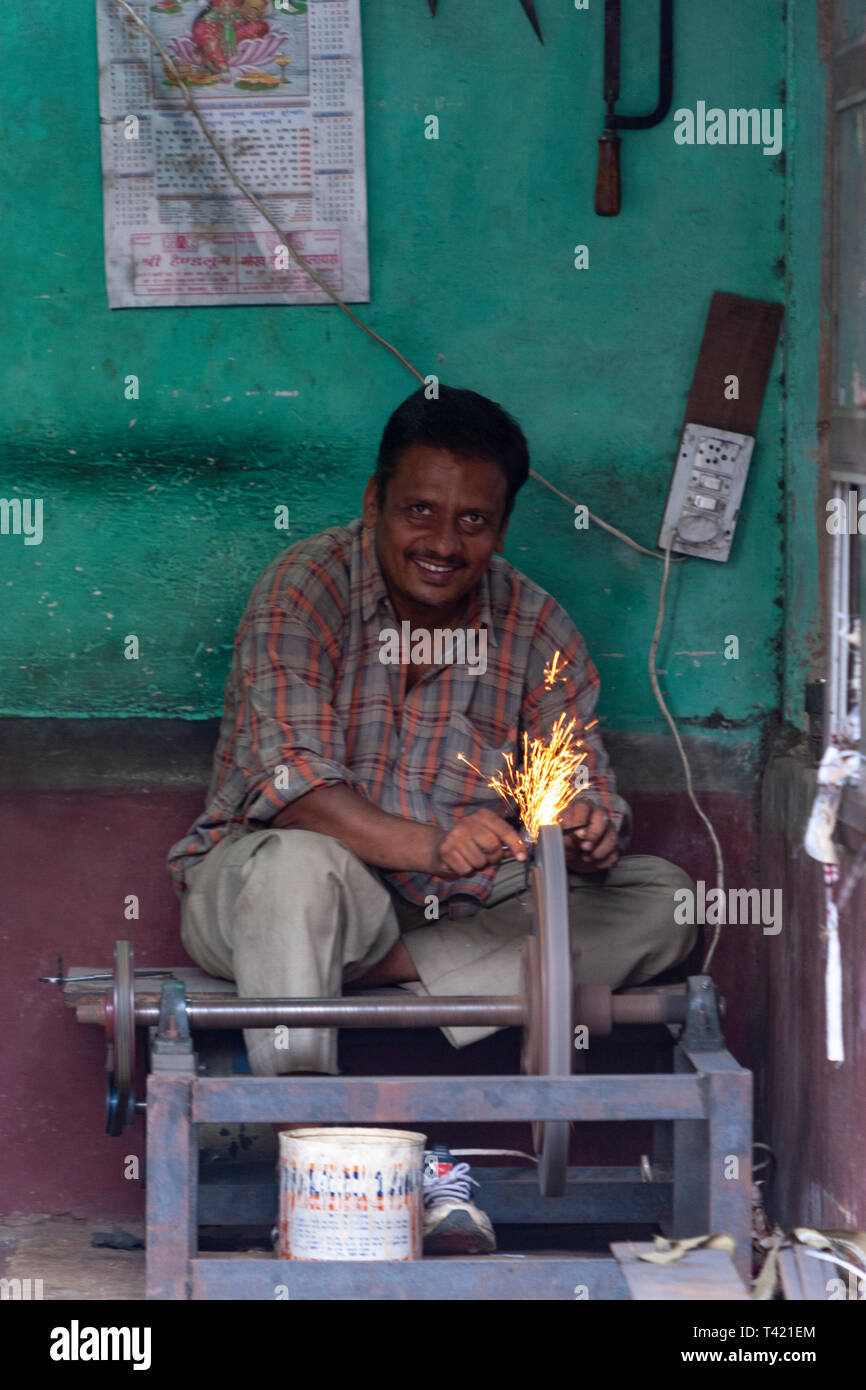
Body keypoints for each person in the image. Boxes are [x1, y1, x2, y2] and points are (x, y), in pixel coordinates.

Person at [167, 385, 697, 1253]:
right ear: (374, 501)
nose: (444, 544)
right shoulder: (305, 588)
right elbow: (292, 789)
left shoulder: (537, 629)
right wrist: (431, 846)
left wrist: (591, 825)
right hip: (269, 890)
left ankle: (362, 974)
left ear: (503, 526)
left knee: (665, 899)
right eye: (419, 510)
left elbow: (574, 785)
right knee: (297, 870)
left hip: (444, 919)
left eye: (474, 522)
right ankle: (321, 1170)